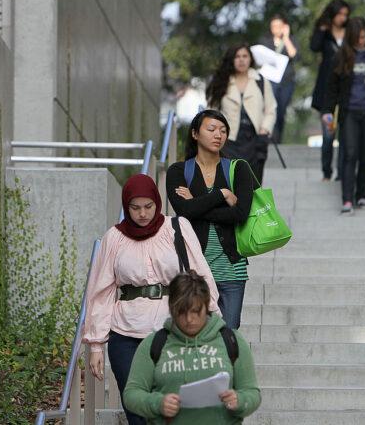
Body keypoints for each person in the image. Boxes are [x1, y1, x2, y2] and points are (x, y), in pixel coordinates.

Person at [82, 174, 221, 425]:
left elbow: (201, 275)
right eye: (135, 208)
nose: (142, 214)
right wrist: (95, 344)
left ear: (158, 203)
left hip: (171, 329)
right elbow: (100, 292)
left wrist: (213, 323)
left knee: (171, 402)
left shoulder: (177, 228)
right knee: (135, 404)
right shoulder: (114, 238)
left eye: (149, 206)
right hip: (124, 333)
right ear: (126, 207)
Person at [123, 270, 261, 424]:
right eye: (181, 312)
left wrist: (240, 400)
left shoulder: (231, 340)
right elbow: (131, 394)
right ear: (171, 308)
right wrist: (157, 403)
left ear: (206, 306)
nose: (189, 319)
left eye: (196, 311)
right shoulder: (154, 344)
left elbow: (252, 393)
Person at [166, 110, 254, 329]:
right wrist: (221, 194)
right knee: (195, 331)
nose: (219, 135)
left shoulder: (238, 168)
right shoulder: (178, 171)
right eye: (212, 129)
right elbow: (183, 211)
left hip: (233, 269)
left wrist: (196, 202)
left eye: (223, 131)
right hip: (194, 271)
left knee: (228, 334)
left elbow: (240, 214)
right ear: (195, 134)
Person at [322, 17, 365, 214]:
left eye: (364, 37)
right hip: (349, 112)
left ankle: (362, 195)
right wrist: (327, 111)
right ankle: (346, 199)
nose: (362, 40)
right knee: (350, 153)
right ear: (351, 37)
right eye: (358, 37)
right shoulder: (341, 57)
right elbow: (331, 88)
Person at [206, 43, 277, 183]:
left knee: (254, 185)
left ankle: (251, 206)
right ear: (231, 60)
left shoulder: (261, 81)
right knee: (230, 183)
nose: (241, 60)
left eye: (245, 56)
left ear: (250, 59)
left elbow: (271, 109)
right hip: (229, 140)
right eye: (237, 56)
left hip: (255, 140)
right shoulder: (222, 82)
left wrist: (265, 129)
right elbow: (212, 111)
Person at [310, 0, 351, 181]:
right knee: (328, 135)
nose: (343, 18)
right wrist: (322, 28)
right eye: (340, 14)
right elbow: (314, 47)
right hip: (326, 90)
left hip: (346, 89)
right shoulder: (325, 33)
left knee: (346, 135)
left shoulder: (350, 32)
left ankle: (342, 172)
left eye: (345, 14)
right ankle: (326, 171)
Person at [260, 14, 299, 144]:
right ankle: (269, 139)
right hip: (270, 81)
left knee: (281, 111)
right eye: (274, 26)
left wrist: (286, 37)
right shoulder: (266, 41)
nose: (276, 28)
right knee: (271, 109)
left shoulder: (291, 40)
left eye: (279, 26)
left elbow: (294, 54)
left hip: (286, 81)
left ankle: (278, 140)